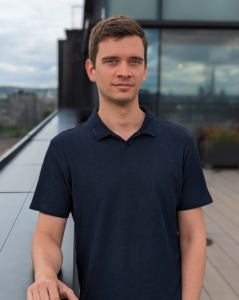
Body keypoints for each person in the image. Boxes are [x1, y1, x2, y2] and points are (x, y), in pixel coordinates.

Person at [27, 15, 213, 300]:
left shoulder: (180, 143)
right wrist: (45, 275)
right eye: (111, 61)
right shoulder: (65, 148)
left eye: (134, 61)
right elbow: (48, 236)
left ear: (145, 70)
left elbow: (192, 236)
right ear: (91, 69)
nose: (124, 71)